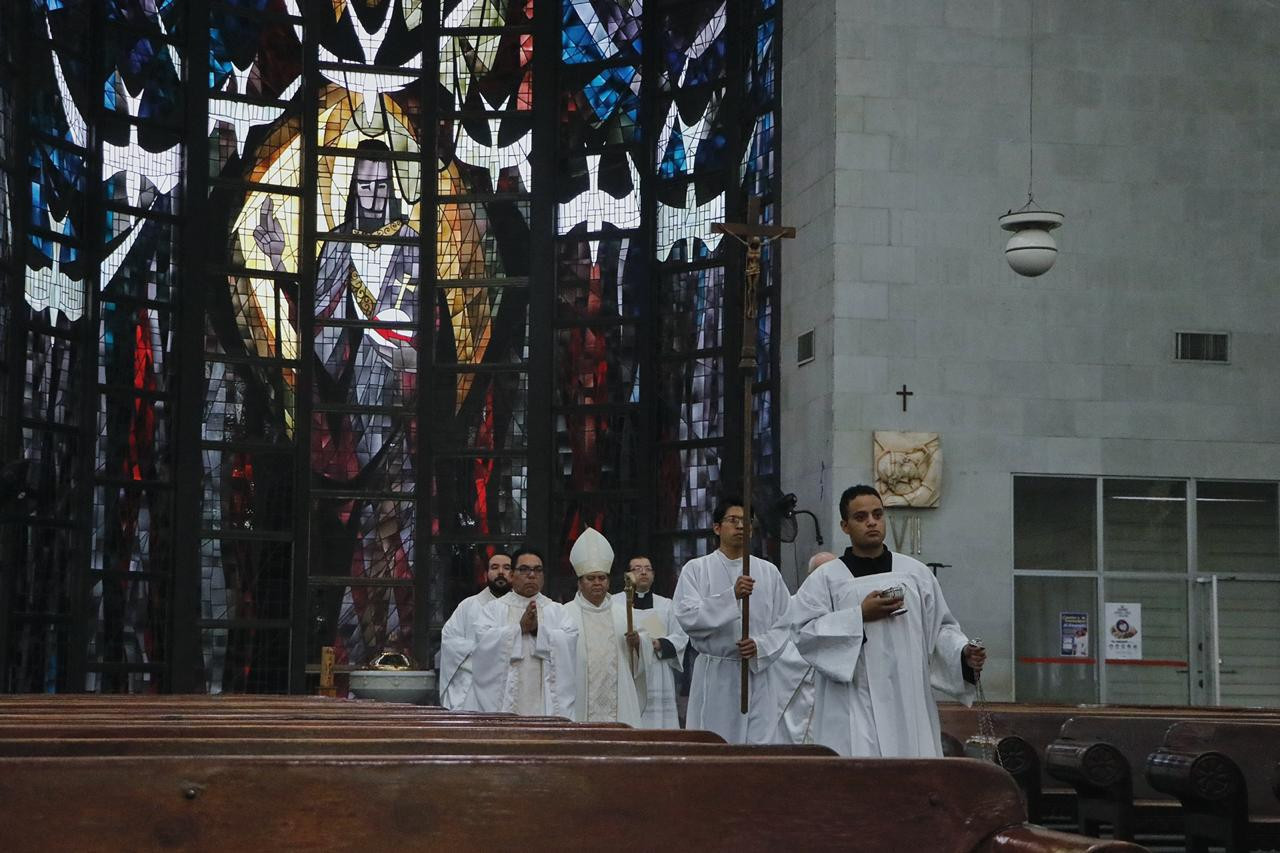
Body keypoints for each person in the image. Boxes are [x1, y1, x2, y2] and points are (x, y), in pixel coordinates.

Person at [786, 484, 986, 757]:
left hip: (908, 699)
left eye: (878, 515)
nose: (871, 522)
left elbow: (940, 629)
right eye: (861, 517)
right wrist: (859, 616)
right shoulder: (825, 579)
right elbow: (805, 633)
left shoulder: (916, 574)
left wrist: (963, 655)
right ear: (845, 526)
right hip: (853, 701)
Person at [673, 496, 811, 744]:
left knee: (757, 744)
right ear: (717, 527)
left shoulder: (768, 572)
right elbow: (687, 615)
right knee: (716, 744)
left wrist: (761, 646)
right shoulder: (696, 569)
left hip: (757, 673)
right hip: (717, 675)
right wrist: (731, 597)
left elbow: (785, 620)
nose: (740, 527)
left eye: (746, 522)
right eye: (733, 520)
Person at [468, 546, 578, 716]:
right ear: (512, 575)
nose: (532, 575)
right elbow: (482, 642)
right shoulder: (493, 609)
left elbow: (570, 639)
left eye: (537, 570)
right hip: (507, 701)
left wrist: (538, 631)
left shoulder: (557, 611)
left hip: (543, 700)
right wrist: (518, 629)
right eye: (524, 569)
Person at [562, 527, 646, 725]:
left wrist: (639, 644)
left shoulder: (624, 614)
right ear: (579, 583)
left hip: (620, 700)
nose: (597, 583)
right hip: (580, 696)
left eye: (602, 578)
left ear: (608, 582)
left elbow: (641, 657)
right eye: (590, 578)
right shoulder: (564, 614)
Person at [613, 554, 689, 729]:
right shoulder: (614, 603)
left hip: (657, 672)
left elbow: (680, 637)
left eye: (648, 569)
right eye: (637, 569)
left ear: (654, 575)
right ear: (627, 575)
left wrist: (657, 644)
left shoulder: (665, 605)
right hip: (627, 669)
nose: (643, 572)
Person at [437, 551, 512, 710]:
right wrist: (486, 651)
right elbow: (450, 641)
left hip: (510, 687)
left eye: (506, 568)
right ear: (486, 574)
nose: (500, 572)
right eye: (494, 567)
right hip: (473, 687)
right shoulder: (468, 606)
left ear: (514, 575)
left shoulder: (523, 609)